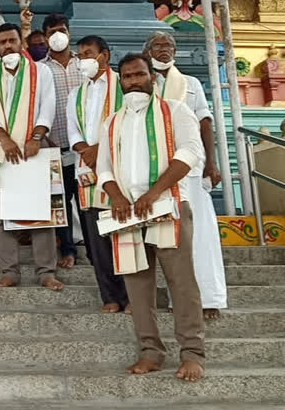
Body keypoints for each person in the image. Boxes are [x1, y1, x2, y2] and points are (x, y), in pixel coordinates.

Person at [97, 53, 205, 382]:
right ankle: (150, 352)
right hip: (128, 213)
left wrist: (153, 193)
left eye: (139, 75)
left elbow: (190, 153)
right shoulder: (112, 121)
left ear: (152, 78)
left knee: (181, 283)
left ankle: (192, 354)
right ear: (121, 81)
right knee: (138, 287)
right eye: (127, 77)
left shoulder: (176, 111)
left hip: (167, 205)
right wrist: (116, 196)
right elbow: (103, 167)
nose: (134, 81)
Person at [144, 30, 227, 319]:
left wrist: (211, 164)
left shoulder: (190, 84)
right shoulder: (142, 85)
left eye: (168, 45)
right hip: (155, 173)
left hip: (190, 171)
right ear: (148, 51)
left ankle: (209, 297)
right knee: (165, 236)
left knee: (200, 235)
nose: (164, 49)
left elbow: (205, 125)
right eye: (157, 45)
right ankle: (176, 299)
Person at [0, 23, 64, 290]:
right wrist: (4, 139)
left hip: (35, 145)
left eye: (12, 40)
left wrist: (36, 137)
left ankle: (46, 272)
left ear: (21, 42)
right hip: (2, 147)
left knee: (43, 209)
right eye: (1, 42)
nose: (7, 46)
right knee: (3, 209)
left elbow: (48, 105)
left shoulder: (41, 72)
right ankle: (9, 271)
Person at [66, 35, 129, 314]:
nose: (83, 60)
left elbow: (128, 123)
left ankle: (130, 296)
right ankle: (110, 297)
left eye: (88, 53)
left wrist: (98, 150)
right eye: (80, 55)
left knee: (122, 234)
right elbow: (73, 131)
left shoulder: (123, 86)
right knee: (95, 239)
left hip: (118, 168)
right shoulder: (76, 93)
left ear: (104, 55)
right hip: (88, 170)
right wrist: (86, 151)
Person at [42, 13, 85, 269]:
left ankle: (94, 248)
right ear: (46, 37)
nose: (58, 35)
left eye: (62, 30)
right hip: (55, 145)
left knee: (87, 202)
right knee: (60, 202)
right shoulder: (40, 69)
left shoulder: (85, 65)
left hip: (86, 150)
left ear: (69, 33)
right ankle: (67, 249)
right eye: (52, 31)